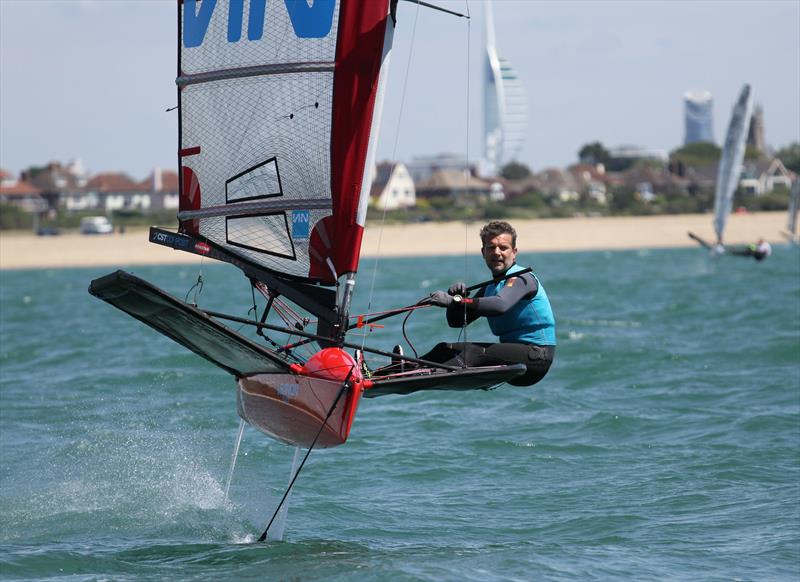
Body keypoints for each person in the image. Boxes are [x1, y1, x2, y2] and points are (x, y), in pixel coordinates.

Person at [413, 220, 556, 387]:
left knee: (472, 353)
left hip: (537, 358)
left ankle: (420, 376)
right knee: (444, 349)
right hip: (515, 357)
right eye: (491, 247)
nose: (497, 252)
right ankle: (398, 370)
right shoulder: (490, 287)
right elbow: (456, 322)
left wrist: (456, 301)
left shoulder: (522, 278)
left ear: (514, 252)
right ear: (483, 252)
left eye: (503, 247)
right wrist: (456, 300)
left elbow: (500, 305)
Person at [688, 232, 771, 261]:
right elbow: (755, 248)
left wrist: (750, 246)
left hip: (754, 254)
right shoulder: (764, 245)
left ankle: (695, 238)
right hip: (754, 254)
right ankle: (695, 237)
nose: (758, 241)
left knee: (729, 251)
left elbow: (758, 250)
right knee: (731, 251)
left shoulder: (764, 246)